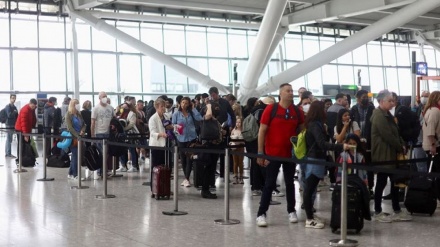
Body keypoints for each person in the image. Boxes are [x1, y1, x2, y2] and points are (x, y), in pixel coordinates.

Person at [255, 83, 304, 227]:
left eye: (292, 91)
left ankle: (291, 210)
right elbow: (262, 131)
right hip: (272, 154)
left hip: (290, 154)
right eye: (288, 91)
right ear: (281, 93)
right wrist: (260, 153)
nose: (291, 93)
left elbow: (302, 132)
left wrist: (300, 150)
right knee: (269, 183)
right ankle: (261, 213)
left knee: (290, 183)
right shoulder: (271, 109)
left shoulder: (297, 111)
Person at [302, 101, 349, 229]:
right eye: (324, 108)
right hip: (314, 159)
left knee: (311, 188)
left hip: (317, 158)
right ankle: (309, 219)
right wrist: (340, 146)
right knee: (309, 189)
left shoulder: (316, 124)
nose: (326, 111)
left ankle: (310, 215)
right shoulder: (314, 125)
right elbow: (321, 143)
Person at [370, 90, 412, 223]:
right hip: (384, 155)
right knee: (381, 182)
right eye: (390, 101)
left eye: (393, 101)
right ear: (381, 101)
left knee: (395, 182)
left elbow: (395, 132)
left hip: (391, 153)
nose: (393, 103)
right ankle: (377, 211)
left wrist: (402, 144)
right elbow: (387, 135)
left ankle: (397, 210)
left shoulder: (387, 114)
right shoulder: (378, 115)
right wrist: (400, 147)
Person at [172, 96, 203, 187]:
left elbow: (199, 118)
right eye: (182, 103)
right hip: (181, 139)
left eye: (186, 103)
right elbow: (173, 125)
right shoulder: (176, 114)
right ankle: (186, 178)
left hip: (192, 138)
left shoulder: (192, 113)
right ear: (180, 104)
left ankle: (187, 178)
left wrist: (193, 108)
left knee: (190, 158)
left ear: (189, 104)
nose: (184, 105)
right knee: (183, 159)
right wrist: (177, 129)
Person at [350, 89, 375, 197]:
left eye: (367, 97)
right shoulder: (354, 109)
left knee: (369, 165)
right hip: (357, 141)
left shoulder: (372, 108)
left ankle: (370, 187)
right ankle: (358, 186)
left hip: (369, 140)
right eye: (363, 97)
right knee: (357, 164)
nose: (366, 99)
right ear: (358, 98)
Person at [148, 98, 171, 192]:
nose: (164, 108)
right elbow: (152, 132)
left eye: (164, 106)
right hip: (156, 145)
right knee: (155, 166)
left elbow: (169, 126)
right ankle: (154, 187)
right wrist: (161, 134)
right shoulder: (153, 118)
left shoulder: (166, 116)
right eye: (162, 106)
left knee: (165, 167)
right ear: (157, 107)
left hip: (166, 145)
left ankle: (164, 187)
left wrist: (172, 128)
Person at [91, 92, 115, 176]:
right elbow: (93, 122)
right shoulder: (96, 108)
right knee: (101, 152)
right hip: (99, 133)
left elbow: (114, 119)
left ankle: (104, 169)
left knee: (107, 152)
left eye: (106, 96)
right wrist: (92, 134)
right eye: (103, 96)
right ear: (99, 98)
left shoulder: (111, 108)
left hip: (108, 133)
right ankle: (100, 170)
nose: (105, 98)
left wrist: (113, 126)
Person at [422, 91, 440, 186]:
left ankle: (433, 196)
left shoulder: (429, 110)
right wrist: (433, 145)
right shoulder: (435, 111)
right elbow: (430, 131)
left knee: (433, 171)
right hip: (434, 145)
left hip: (429, 145)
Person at [65, 99, 86, 179]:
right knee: (75, 156)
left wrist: (82, 131)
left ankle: (70, 173)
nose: (78, 105)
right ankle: (75, 174)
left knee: (76, 156)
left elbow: (84, 124)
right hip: (73, 138)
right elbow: (69, 127)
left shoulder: (79, 114)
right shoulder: (68, 114)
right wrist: (77, 135)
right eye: (76, 104)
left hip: (80, 137)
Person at [230, 117, 244, 184]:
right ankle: (235, 176)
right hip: (234, 148)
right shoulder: (233, 130)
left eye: (239, 122)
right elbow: (231, 138)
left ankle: (241, 176)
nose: (238, 124)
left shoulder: (243, 131)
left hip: (241, 147)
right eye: (237, 122)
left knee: (240, 162)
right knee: (235, 162)